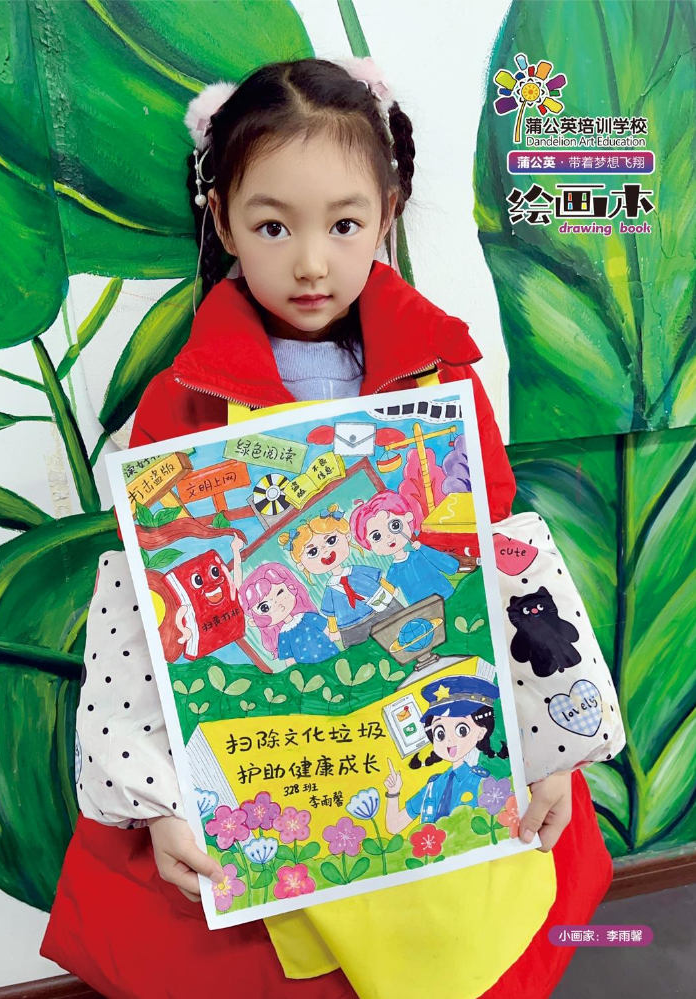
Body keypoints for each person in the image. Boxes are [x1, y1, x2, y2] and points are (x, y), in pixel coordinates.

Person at [42, 56, 612, 999]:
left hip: (434, 759)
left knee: (466, 947)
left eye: (343, 224)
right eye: (273, 225)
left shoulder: (442, 379)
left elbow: (505, 560)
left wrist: (552, 748)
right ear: (221, 218)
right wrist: (156, 803)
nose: (310, 261)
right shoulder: (180, 404)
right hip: (276, 771)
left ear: (386, 213)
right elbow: (146, 605)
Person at [384, 675, 507, 833]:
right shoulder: (433, 786)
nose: (449, 740)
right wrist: (393, 792)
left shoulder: (484, 784)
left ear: (480, 732)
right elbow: (394, 825)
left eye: (461, 730)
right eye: (440, 733)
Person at [279, 504, 401, 648]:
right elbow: (331, 614)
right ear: (301, 565)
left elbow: (379, 580)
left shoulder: (358, 571)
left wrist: (391, 590)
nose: (325, 552)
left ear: (347, 537)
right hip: (351, 627)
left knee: (399, 632)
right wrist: (334, 630)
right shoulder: (330, 590)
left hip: (381, 609)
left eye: (331, 541)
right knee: (366, 650)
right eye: (313, 552)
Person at [350, 490, 460, 603]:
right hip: (422, 607)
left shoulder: (421, 553)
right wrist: (391, 591)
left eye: (395, 525)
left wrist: (423, 549)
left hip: (446, 596)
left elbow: (450, 566)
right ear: (368, 544)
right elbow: (391, 591)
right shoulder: (394, 570)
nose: (389, 536)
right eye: (377, 536)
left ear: (407, 517)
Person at [239, 561, 339, 665]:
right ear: (256, 619)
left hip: (331, 656)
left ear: (291, 588)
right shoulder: (283, 635)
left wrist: (336, 636)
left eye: (280, 592)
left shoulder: (308, 617)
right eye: (265, 607)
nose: (277, 603)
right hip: (308, 670)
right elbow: (289, 660)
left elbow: (329, 631)